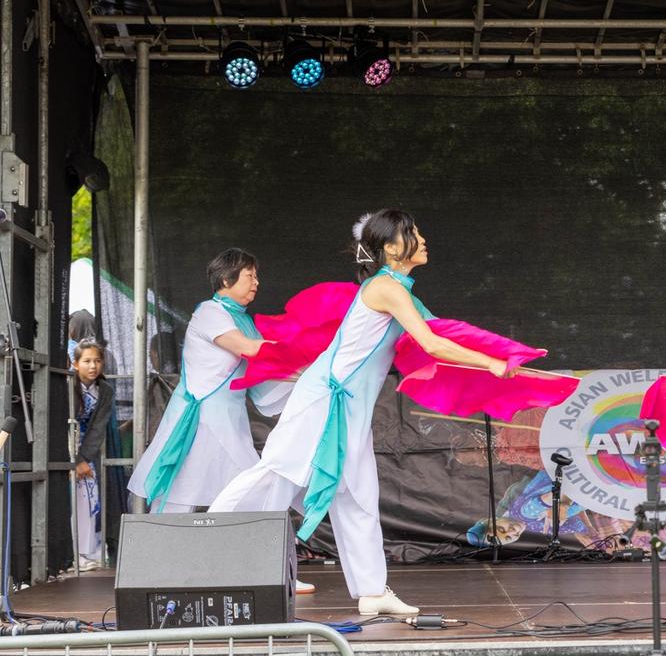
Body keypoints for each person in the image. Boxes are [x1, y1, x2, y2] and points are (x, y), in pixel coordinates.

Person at [211, 209, 514, 616]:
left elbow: (447, 334)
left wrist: (504, 357)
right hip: (324, 402)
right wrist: (493, 364)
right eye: (413, 233)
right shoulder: (385, 287)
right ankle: (206, 540)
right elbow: (432, 344)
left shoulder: (399, 289)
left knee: (358, 497)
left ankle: (371, 590)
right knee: (277, 474)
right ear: (390, 248)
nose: (423, 239)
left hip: (349, 410)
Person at [128, 249, 290, 513]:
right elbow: (249, 349)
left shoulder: (244, 320)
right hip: (201, 418)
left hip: (228, 418)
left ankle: (235, 548)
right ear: (227, 280)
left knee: (213, 490)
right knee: (185, 493)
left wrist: (303, 373)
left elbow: (264, 370)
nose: (256, 282)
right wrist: (298, 350)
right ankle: (164, 547)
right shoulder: (209, 312)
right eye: (250, 276)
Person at [71, 340, 113, 570]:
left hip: (87, 450)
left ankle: (85, 550)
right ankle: (72, 552)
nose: (92, 366)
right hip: (64, 447)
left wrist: (83, 459)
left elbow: (98, 427)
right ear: (75, 364)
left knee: (88, 497)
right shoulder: (67, 384)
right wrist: (73, 460)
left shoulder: (105, 390)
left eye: (97, 361)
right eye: (86, 361)